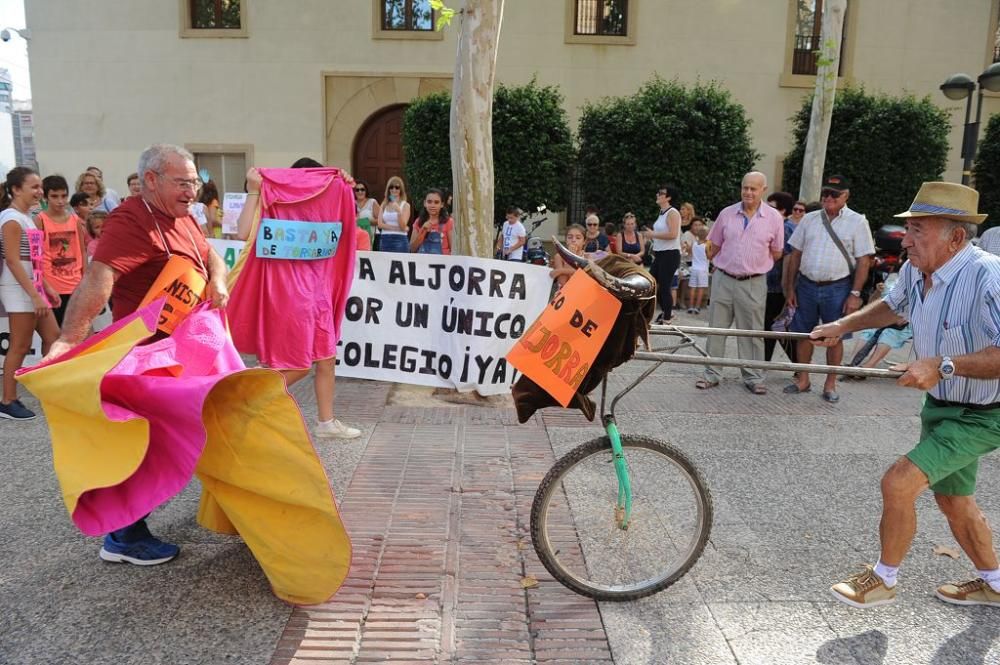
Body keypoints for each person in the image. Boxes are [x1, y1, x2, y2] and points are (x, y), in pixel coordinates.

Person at [813, 182, 1000, 609]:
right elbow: (895, 308)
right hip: (942, 406)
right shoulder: (918, 270)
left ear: (955, 237)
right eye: (908, 228)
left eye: (918, 230)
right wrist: (842, 327)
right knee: (954, 500)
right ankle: (994, 583)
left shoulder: (989, 276)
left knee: (899, 483)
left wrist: (942, 365)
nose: (907, 239)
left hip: (987, 414)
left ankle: (884, 579)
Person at [42, 144, 230, 565]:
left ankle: (215, 508)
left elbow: (209, 253)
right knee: (147, 445)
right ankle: (124, 536)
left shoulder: (181, 218)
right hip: (147, 357)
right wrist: (72, 337)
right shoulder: (132, 221)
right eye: (182, 183)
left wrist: (217, 278)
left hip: (185, 351)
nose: (191, 191)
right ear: (151, 180)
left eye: (194, 183)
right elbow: (99, 278)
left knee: (190, 434)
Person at [232, 160, 361, 441]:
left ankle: (326, 422)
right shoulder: (269, 192)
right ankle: (249, 398)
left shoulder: (333, 190)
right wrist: (254, 189)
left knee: (326, 359)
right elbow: (243, 233)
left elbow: (349, 223)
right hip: (290, 294)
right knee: (299, 363)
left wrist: (344, 186)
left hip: (318, 291)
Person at [783, 175, 874, 403]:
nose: (829, 198)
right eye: (825, 193)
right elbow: (795, 255)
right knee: (803, 334)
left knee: (836, 336)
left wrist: (855, 294)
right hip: (805, 285)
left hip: (838, 287)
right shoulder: (810, 219)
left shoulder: (857, 221)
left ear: (846, 196)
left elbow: (864, 260)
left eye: (835, 194)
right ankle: (802, 379)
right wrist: (790, 288)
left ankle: (830, 383)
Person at [697, 172, 784, 394]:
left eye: (753, 189)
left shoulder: (774, 218)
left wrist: (753, 264)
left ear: (763, 190)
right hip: (724, 279)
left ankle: (754, 377)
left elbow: (776, 252)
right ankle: (711, 374)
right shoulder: (726, 214)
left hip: (754, 282)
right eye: (745, 188)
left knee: (752, 332)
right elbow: (713, 245)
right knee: (716, 329)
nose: (748, 192)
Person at [1, 167, 61, 420]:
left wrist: (46, 288)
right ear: (15, 189)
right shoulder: (11, 218)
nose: (39, 192)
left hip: (32, 287)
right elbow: (14, 262)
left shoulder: (30, 217)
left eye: (40, 187)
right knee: (20, 345)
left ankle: (47, 389)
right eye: (33, 187)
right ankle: (7, 400)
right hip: (17, 288)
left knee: (53, 336)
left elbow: (35, 260)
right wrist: (35, 294)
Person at [35, 175, 88, 326]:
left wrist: (85, 279)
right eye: (54, 196)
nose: (60, 201)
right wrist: (44, 286)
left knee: (79, 333)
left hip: (76, 286)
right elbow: (36, 259)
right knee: (57, 335)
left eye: (64, 196)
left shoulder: (75, 220)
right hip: (52, 289)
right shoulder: (39, 220)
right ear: (45, 197)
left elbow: (82, 251)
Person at [762, 191, 799, 364]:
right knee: (772, 327)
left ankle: (798, 363)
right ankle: (797, 364)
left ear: (783, 210)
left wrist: (787, 289)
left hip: (777, 287)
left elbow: (789, 261)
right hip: (771, 285)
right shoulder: (781, 227)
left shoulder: (785, 229)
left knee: (772, 326)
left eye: (771, 207)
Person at [649, 185, 683, 325]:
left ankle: (667, 317)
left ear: (668, 197)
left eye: (661, 193)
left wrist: (653, 234)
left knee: (664, 285)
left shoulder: (672, 212)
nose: (657, 195)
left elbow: (673, 234)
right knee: (652, 283)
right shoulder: (662, 212)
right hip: (660, 254)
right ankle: (666, 312)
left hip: (670, 254)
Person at [410, 189, 454, 255]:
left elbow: (453, 249)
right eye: (429, 202)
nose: (432, 205)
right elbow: (412, 249)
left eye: (436, 202)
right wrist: (422, 231)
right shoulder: (418, 221)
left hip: (443, 263)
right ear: (425, 203)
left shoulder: (449, 222)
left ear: (442, 204)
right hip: (423, 263)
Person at [377, 176, 410, 253]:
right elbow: (380, 224)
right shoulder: (384, 204)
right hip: (385, 238)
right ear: (388, 189)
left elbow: (402, 226)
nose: (394, 189)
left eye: (397, 187)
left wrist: (398, 211)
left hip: (400, 239)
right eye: (391, 187)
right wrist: (395, 228)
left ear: (401, 189)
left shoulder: (405, 205)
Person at [687, 224, 710, 315]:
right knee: (701, 289)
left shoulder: (694, 243)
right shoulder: (707, 245)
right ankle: (697, 307)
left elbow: (690, 252)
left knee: (692, 288)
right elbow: (709, 256)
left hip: (694, 268)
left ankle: (690, 306)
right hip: (703, 270)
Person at [353, 179, 379, 249]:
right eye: (357, 190)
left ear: (366, 191)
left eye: (362, 189)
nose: (360, 192)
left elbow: (380, 221)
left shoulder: (372, 202)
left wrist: (367, 221)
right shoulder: (351, 203)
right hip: (356, 237)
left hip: (372, 235)